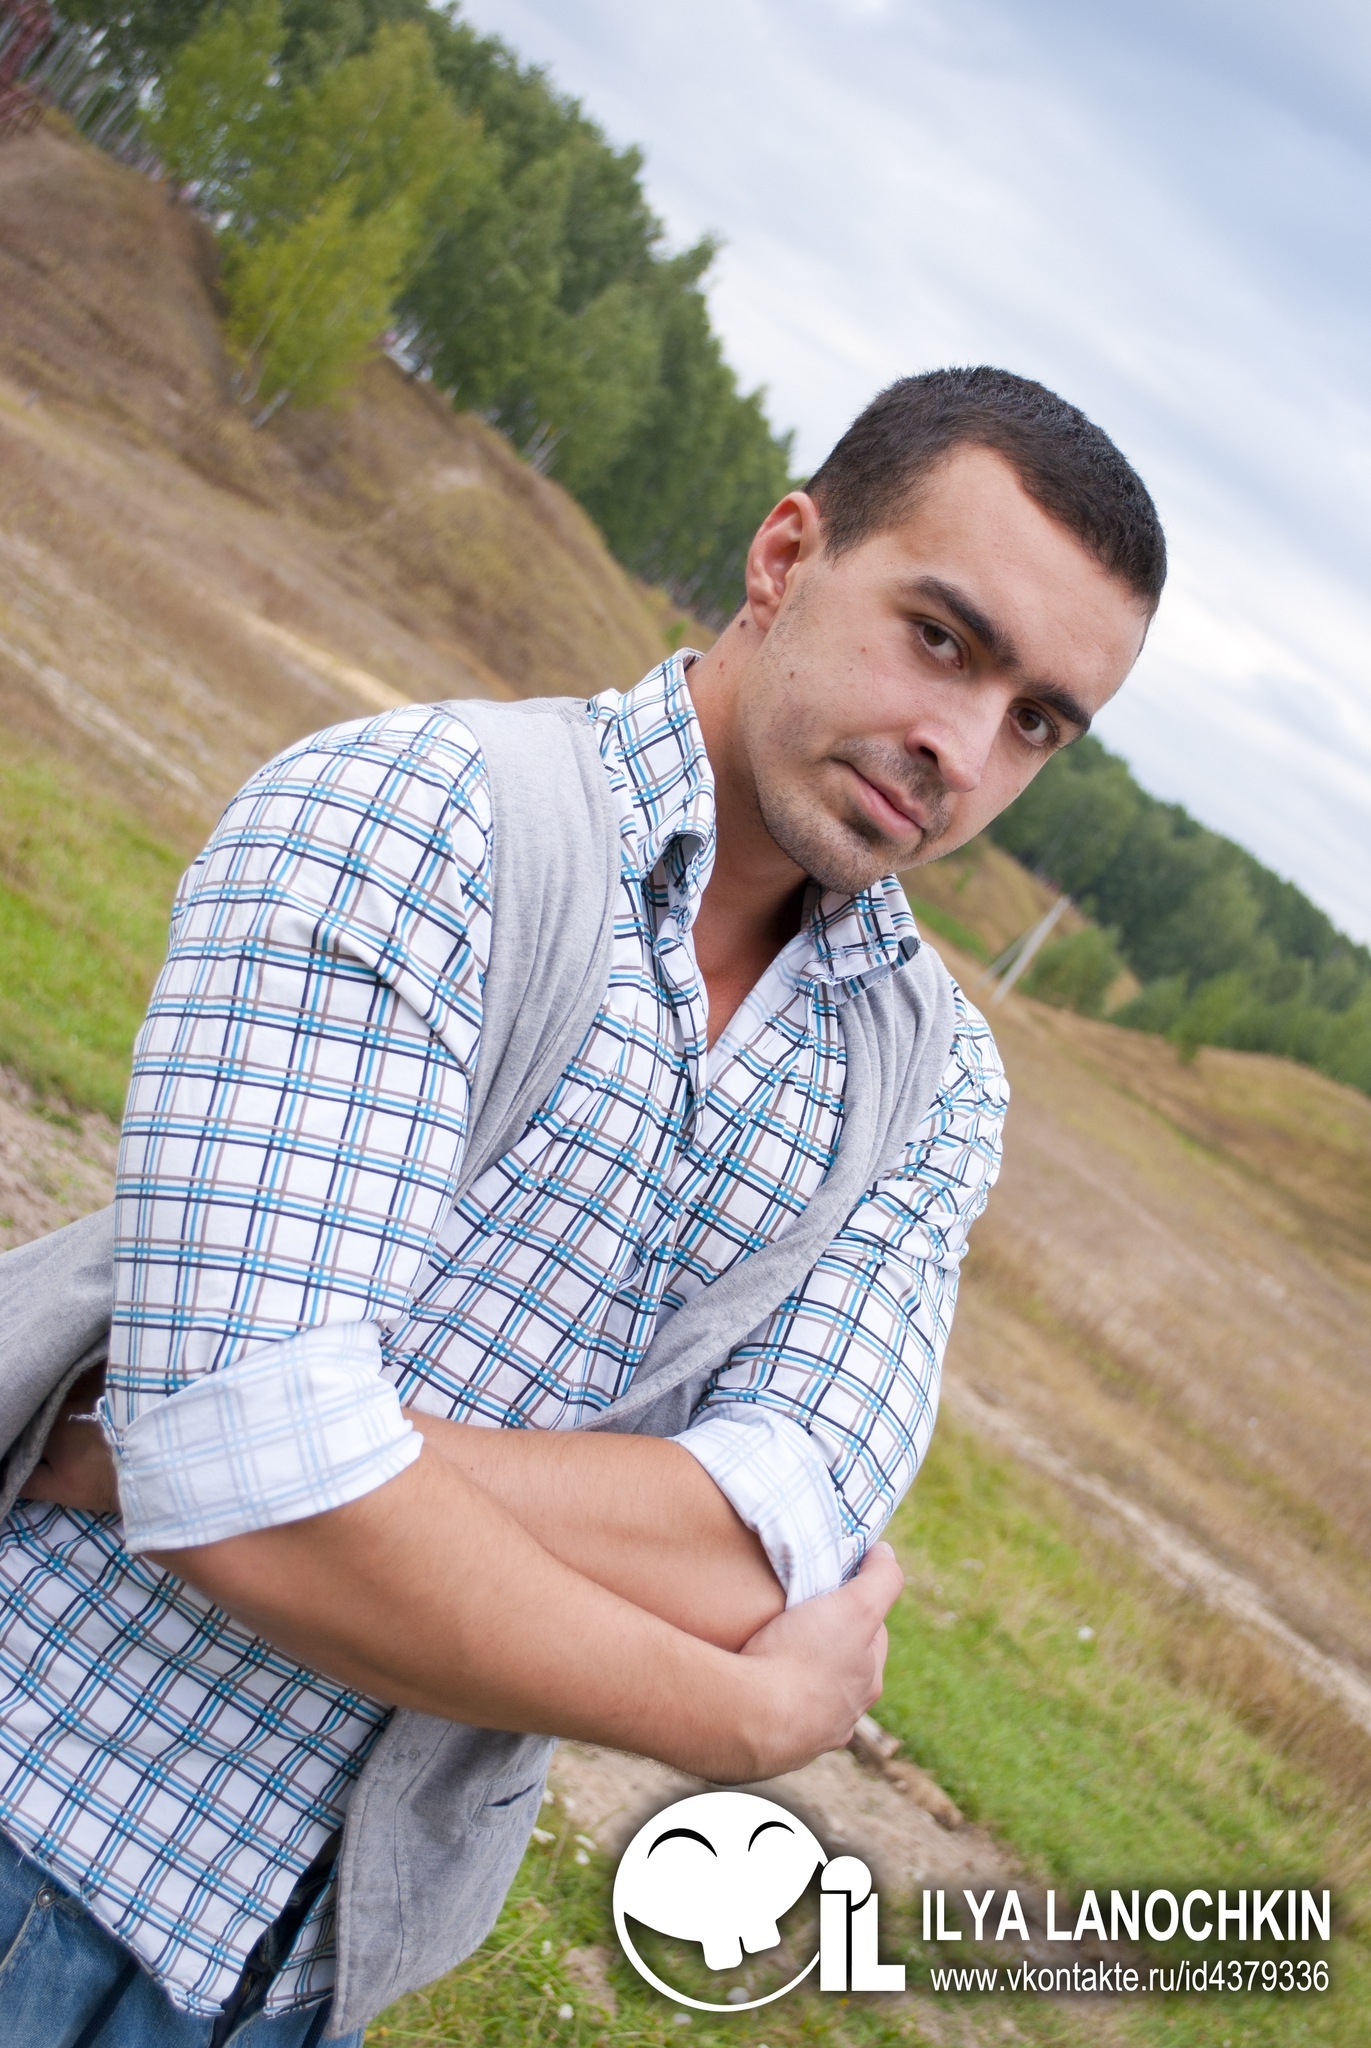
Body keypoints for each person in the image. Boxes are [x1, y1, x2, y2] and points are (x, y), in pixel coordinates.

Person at [0, 367, 1164, 2044]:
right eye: (940, 639)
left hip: (301, 1982)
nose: (963, 752)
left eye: (1038, 721)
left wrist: (220, 1450)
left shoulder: (934, 1083)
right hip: (34, 1814)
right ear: (785, 557)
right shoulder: (425, 817)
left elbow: (771, 1542)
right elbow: (254, 1492)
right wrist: (737, 1720)